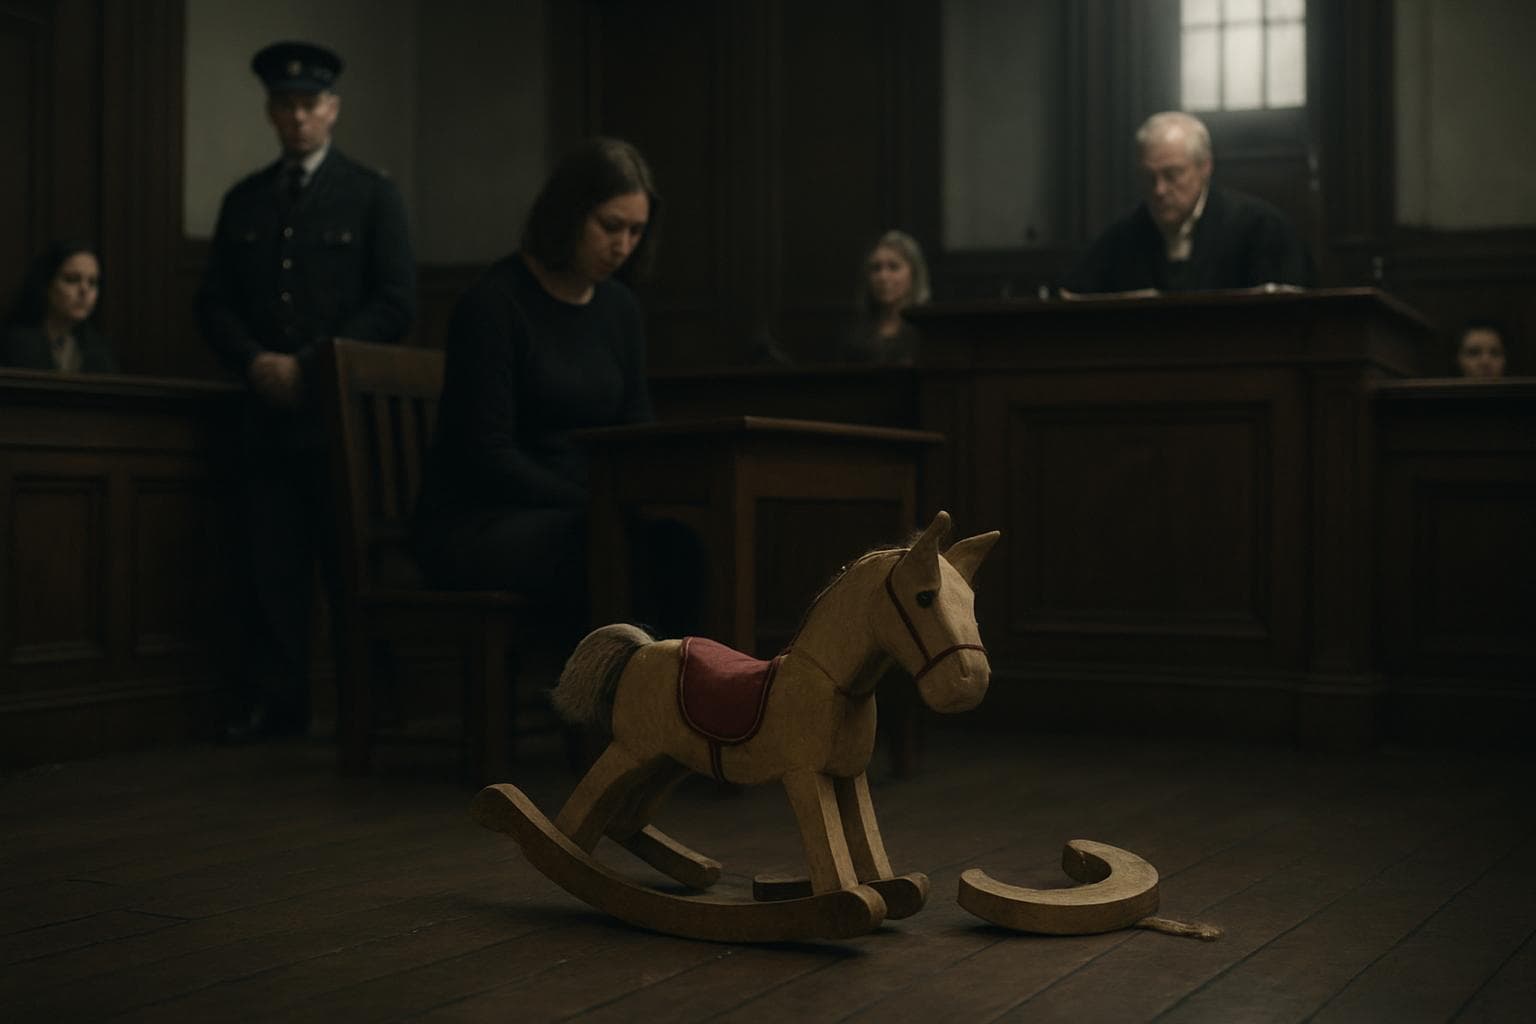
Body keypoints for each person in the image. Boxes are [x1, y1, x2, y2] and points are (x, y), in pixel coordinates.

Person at [198, 41, 416, 740]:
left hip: (344, 418)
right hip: (265, 417)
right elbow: (214, 303)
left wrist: (311, 361)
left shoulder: (372, 194)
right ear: (270, 111)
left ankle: (374, 704)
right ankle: (280, 703)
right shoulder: (246, 201)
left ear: (333, 108)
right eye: (285, 104)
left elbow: (396, 303)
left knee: (353, 564)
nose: (297, 116)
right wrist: (257, 360)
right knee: (271, 564)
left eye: (310, 103)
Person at [412, 138, 660, 625]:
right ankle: (598, 699)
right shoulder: (494, 305)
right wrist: (595, 500)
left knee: (678, 546)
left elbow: (637, 428)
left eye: (636, 232)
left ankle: (662, 698)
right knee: (608, 551)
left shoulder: (620, 310)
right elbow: (486, 456)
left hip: (577, 514)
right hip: (482, 520)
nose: (623, 247)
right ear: (568, 214)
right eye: (610, 227)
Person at [1064, 111, 1312, 295]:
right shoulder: (1121, 237)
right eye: (1149, 177)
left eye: (1172, 175)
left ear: (1205, 167)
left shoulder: (1261, 228)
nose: (1159, 190)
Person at [2, 241, 118, 373]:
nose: (85, 290)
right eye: (72, 279)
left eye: (92, 282)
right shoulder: (14, 344)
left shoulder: (98, 350)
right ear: (47, 284)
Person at [840, 229, 930, 365]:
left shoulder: (928, 330)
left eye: (894, 267)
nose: (883, 277)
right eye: (876, 268)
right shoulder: (855, 332)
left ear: (914, 274)